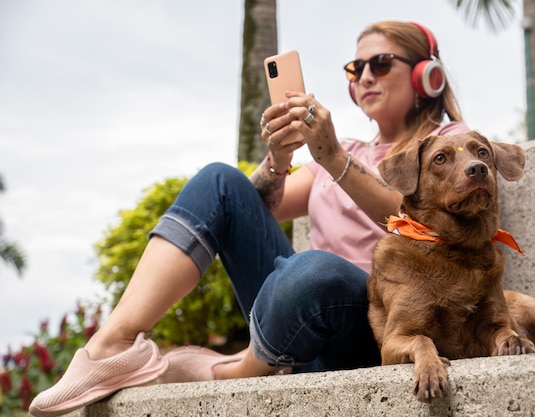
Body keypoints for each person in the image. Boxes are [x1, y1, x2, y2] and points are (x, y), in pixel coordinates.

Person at [29, 20, 470, 416]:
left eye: (380, 63)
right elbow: (251, 208)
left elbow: (425, 223)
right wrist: (279, 159)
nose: (366, 76)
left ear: (425, 76)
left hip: (376, 332)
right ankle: (113, 346)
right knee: (221, 181)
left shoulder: (452, 146)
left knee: (315, 272)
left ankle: (241, 367)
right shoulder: (340, 153)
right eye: (356, 69)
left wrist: (332, 156)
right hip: (299, 326)